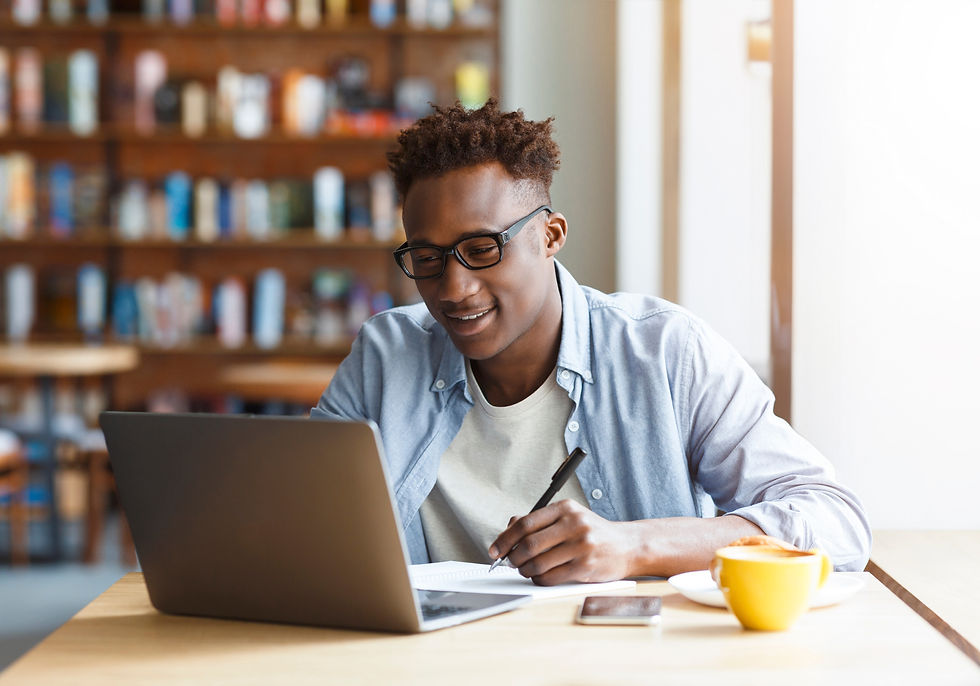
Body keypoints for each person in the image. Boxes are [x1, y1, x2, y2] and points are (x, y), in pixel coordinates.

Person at [312, 100, 871, 584]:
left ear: (550, 235)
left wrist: (636, 547)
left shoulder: (664, 353)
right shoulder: (385, 356)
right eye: (427, 259)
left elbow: (835, 523)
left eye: (482, 249)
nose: (453, 289)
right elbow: (299, 519)